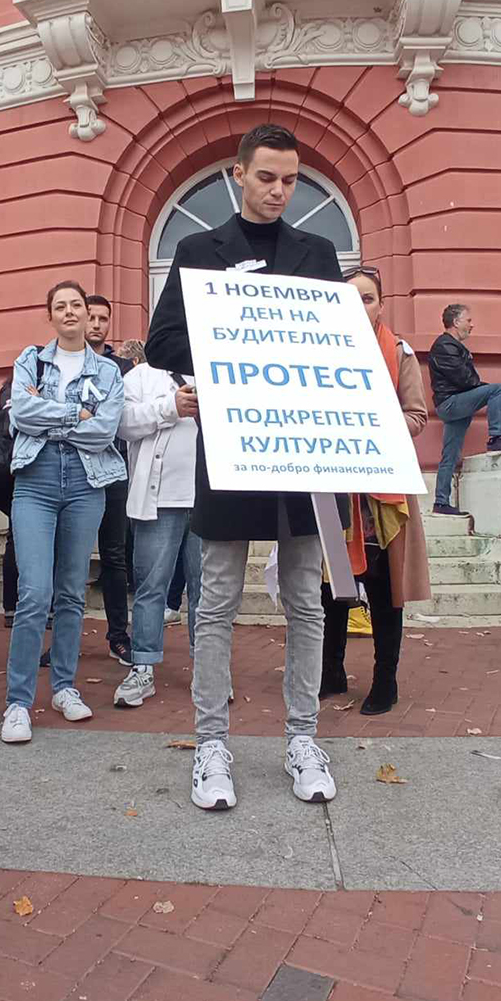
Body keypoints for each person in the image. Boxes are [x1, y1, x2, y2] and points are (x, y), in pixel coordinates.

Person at [145, 123, 339, 811]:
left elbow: (337, 348)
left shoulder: (317, 254)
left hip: (306, 455)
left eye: (290, 179)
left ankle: (302, 738)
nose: (279, 191)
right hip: (231, 450)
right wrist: (208, 365)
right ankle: (211, 745)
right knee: (217, 602)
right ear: (238, 174)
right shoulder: (199, 249)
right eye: (266, 178)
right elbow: (162, 337)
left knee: (307, 605)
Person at [1, 281, 125, 744]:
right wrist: (78, 416)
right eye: (61, 306)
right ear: (49, 315)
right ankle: (17, 701)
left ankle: (64, 687)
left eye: (77, 305)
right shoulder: (29, 360)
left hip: (87, 481)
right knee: (35, 591)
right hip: (35, 478)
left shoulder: (110, 371)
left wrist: (55, 415)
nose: (70, 312)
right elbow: (21, 416)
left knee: (72, 591)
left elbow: (106, 431)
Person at [321, 266, 431, 714]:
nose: (359, 306)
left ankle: (385, 680)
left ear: (381, 304)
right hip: (334, 487)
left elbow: (417, 416)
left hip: (384, 493)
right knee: (331, 588)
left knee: (385, 589)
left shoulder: (400, 353)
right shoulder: (320, 353)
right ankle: (330, 673)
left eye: (366, 298)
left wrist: (371, 425)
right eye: (349, 299)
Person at [114, 358, 201, 708]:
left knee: (206, 593)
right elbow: (122, 424)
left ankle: (208, 670)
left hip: (210, 498)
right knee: (150, 587)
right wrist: (171, 406)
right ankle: (143, 667)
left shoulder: (216, 365)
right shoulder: (139, 375)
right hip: (158, 498)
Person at [85, 294, 134, 665]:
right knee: (70, 557)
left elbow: (119, 416)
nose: (97, 324)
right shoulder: (57, 362)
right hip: (72, 470)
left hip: (113, 470)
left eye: (103, 318)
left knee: (115, 557)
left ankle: (118, 636)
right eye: (92, 316)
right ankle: (65, 639)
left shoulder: (123, 368)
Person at [429, 303, 501, 515]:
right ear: (456, 322)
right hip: (451, 403)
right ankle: (495, 438)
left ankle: (440, 502)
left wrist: (477, 385)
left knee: (450, 455)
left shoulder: (452, 346)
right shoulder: (445, 346)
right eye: (468, 320)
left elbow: (468, 381)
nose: (471, 325)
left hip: (454, 402)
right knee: (498, 390)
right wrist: (480, 386)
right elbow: (465, 379)